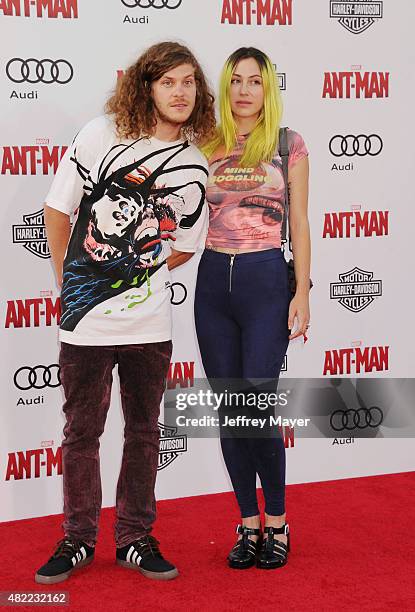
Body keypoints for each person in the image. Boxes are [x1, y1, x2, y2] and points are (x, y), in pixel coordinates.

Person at [35, 41, 215, 584]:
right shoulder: (101, 133)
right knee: (81, 432)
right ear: (147, 87)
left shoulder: (195, 164)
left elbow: (184, 244)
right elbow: (57, 208)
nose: (180, 92)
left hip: (150, 323)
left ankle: (135, 536)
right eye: (168, 82)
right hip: (85, 322)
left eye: (188, 81)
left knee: (143, 432)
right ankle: (78, 538)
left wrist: (142, 264)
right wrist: (68, 280)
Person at [195, 47, 310, 570]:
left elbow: (302, 222)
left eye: (255, 81)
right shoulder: (205, 144)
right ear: (225, 87)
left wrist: (302, 293)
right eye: (236, 80)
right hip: (214, 281)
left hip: (266, 280)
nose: (244, 90)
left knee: (257, 406)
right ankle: (247, 522)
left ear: (269, 88)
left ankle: (279, 521)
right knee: (229, 410)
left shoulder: (289, 145)